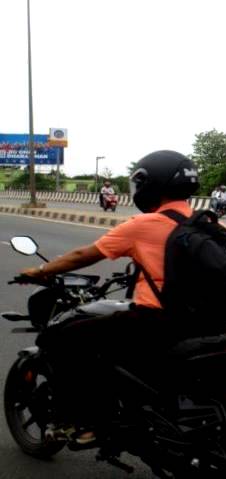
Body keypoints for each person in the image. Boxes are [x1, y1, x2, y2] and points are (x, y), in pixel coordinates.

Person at [19, 150, 200, 445]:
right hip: (203, 322)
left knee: (63, 337)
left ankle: (85, 421)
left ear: (152, 185)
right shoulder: (208, 224)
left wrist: (40, 270)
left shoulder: (145, 224)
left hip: (156, 321)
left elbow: (83, 255)